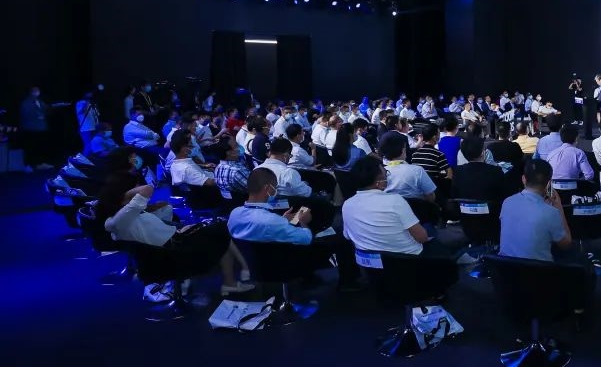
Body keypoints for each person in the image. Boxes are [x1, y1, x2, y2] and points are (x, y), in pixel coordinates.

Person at [103, 184, 254, 296]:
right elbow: (147, 188)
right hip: (175, 253)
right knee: (222, 229)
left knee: (218, 229)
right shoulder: (120, 219)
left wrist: (181, 229)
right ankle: (233, 280)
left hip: (173, 245)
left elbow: (156, 224)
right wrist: (127, 194)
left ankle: (235, 276)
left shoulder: (123, 218)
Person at [227, 168, 360, 291]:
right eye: (275, 187)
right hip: (285, 265)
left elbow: (261, 228)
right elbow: (307, 238)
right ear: (267, 188)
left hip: (253, 265)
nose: (276, 191)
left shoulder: (234, 214)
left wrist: (283, 220)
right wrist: (303, 222)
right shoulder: (273, 221)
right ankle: (348, 283)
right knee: (341, 238)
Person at [498, 159, 595, 314]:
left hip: (506, 276)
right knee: (580, 256)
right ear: (549, 183)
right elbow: (566, 243)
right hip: (540, 279)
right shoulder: (551, 213)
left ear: (523, 179)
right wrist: (559, 207)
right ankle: (579, 309)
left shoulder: (507, 202)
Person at [342, 156, 467, 259]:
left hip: (371, 268)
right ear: (378, 181)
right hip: (409, 261)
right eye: (386, 174)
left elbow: (348, 236)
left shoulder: (347, 204)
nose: (387, 177)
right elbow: (422, 237)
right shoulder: (395, 201)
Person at [453, 137, 514, 202]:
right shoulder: (496, 171)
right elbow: (504, 195)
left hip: (462, 208)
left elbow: (454, 195)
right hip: (492, 208)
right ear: (483, 153)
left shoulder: (457, 172)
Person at [381, 134, 436, 202]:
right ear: (403, 150)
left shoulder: (379, 174)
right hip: (417, 208)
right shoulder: (417, 170)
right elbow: (431, 196)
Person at [19, 86, 58, 170]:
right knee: (30, 147)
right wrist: (38, 116)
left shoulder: (40, 101)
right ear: (31, 92)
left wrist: (55, 106)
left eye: (37, 91)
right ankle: (28, 165)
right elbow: (25, 114)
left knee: (40, 147)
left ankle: (40, 163)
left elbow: (45, 110)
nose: (37, 92)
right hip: (31, 129)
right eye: (35, 91)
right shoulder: (26, 102)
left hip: (41, 128)